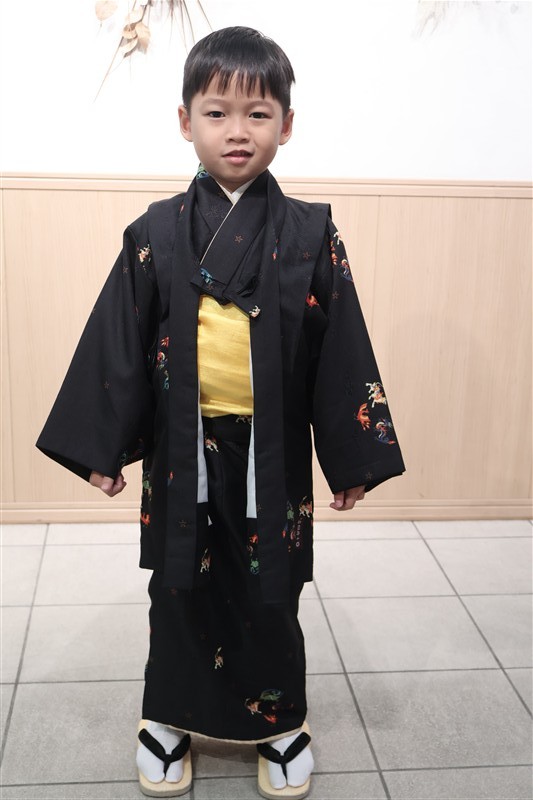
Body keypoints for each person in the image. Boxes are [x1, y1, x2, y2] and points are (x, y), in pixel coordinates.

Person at [37, 25, 405, 800]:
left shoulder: (310, 232)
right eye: (216, 112)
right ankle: (168, 716)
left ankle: (278, 722)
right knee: (177, 584)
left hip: (272, 448)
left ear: (286, 125)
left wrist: (352, 455)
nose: (237, 130)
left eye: (258, 113)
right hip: (184, 447)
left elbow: (341, 347)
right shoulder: (154, 231)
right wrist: (101, 444)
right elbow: (119, 342)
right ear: (185, 122)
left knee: (274, 584)